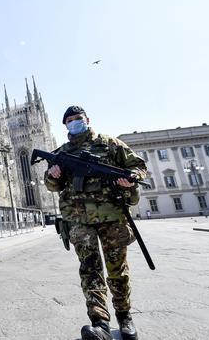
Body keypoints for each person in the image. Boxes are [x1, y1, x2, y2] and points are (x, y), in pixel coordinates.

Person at [44, 106, 147, 340]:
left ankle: (125, 316)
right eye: (69, 121)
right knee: (89, 271)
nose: (74, 123)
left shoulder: (110, 143)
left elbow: (139, 166)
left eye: (78, 119)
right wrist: (53, 175)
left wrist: (130, 179)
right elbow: (50, 185)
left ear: (87, 120)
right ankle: (99, 322)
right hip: (79, 220)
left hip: (112, 217)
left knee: (117, 269)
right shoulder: (62, 152)